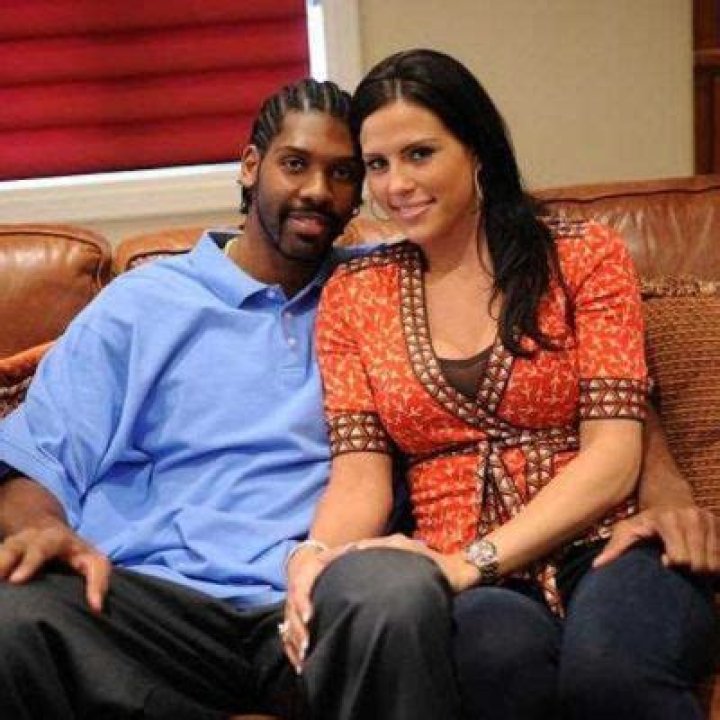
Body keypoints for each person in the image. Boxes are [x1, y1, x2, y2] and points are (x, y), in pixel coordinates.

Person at [0, 78, 465, 720]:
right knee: (12, 618)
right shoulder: (143, 304)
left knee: (397, 590)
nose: (317, 190)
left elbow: (505, 261)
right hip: (154, 607)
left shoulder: (387, 288)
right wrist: (42, 528)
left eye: (342, 173)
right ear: (250, 167)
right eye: (295, 164)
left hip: (317, 596)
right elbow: (36, 456)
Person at [285, 49, 719, 720]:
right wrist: (315, 555)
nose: (397, 184)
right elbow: (360, 478)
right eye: (378, 164)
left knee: (611, 671)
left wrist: (474, 560)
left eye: (420, 154)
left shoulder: (583, 255)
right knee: (496, 663)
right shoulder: (354, 295)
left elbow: (613, 455)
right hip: (467, 574)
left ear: (477, 150)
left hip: (608, 540)